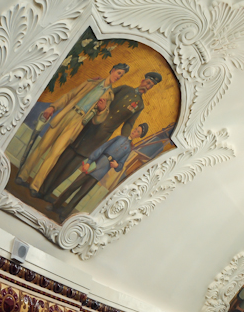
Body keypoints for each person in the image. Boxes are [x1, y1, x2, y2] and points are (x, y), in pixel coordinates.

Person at [39, 71, 163, 201]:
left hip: (101, 136)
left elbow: (128, 124)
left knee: (73, 165)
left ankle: (48, 193)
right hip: (90, 126)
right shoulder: (125, 89)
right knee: (65, 157)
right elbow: (106, 94)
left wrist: (126, 141)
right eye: (148, 83)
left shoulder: (140, 105)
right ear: (143, 80)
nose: (148, 87)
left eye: (151, 86)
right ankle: (43, 189)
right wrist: (98, 83)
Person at [18, 63, 128, 193]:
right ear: (113, 70)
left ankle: (35, 186)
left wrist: (101, 110)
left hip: (78, 123)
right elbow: (70, 95)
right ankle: (22, 176)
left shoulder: (109, 96)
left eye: (122, 75)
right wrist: (53, 107)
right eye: (119, 73)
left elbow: (98, 120)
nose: (119, 77)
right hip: (66, 114)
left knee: (54, 154)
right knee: (41, 146)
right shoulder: (91, 83)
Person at [47, 122, 149, 222]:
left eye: (137, 132)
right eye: (135, 129)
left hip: (101, 172)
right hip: (94, 164)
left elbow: (121, 165)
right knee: (73, 186)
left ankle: (64, 214)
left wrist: (117, 165)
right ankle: (55, 205)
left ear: (139, 136)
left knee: (81, 194)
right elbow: (102, 148)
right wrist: (89, 162)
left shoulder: (128, 150)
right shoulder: (119, 138)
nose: (134, 131)